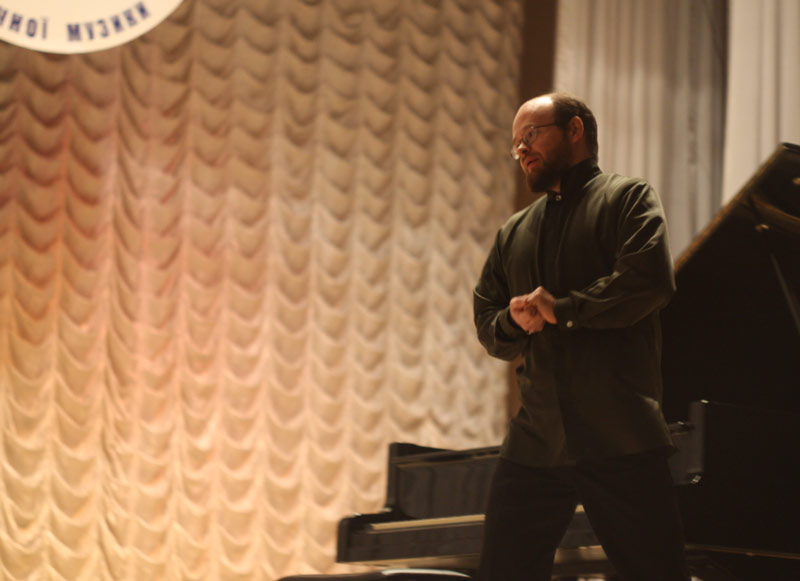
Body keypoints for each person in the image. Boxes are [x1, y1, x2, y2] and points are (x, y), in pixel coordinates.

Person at [473, 93, 691, 580]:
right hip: (535, 441)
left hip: (621, 435)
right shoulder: (513, 232)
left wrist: (564, 310)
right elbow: (487, 320)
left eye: (531, 134)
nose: (521, 149)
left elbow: (649, 282)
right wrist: (512, 321)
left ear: (574, 130)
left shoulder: (628, 198)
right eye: (516, 143)